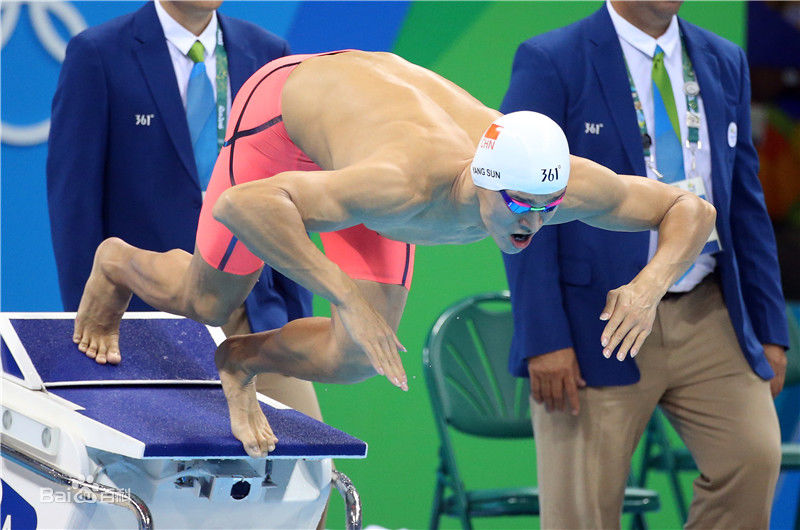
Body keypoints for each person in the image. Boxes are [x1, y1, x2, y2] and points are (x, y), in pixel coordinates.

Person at [72, 50, 715, 459]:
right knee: (205, 300)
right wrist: (345, 293)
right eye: (520, 205)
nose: (536, 224)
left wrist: (651, 282)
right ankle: (117, 263)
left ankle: (238, 359)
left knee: (355, 359)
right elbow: (244, 206)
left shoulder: (555, 183)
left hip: (372, 141)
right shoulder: (402, 185)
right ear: (485, 182)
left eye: (548, 206)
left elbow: (690, 210)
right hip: (284, 119)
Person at [501, 1, 789, 528]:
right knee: (581, 510)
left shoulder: (725, 59)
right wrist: (544, 337)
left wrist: (770, 328)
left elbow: (744, 202)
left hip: (708, 310)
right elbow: (519, 205)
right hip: (599, 318)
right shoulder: (552, 59)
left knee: (752, 458)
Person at [46, 1, 324, 422]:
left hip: (256, 319)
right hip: (147, 319)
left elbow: (292, 195)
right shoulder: (99, 53)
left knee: (307, 476)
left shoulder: (268, 53)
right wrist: (90, 325)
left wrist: (296, 317)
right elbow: (75, 204)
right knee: (165, 481)